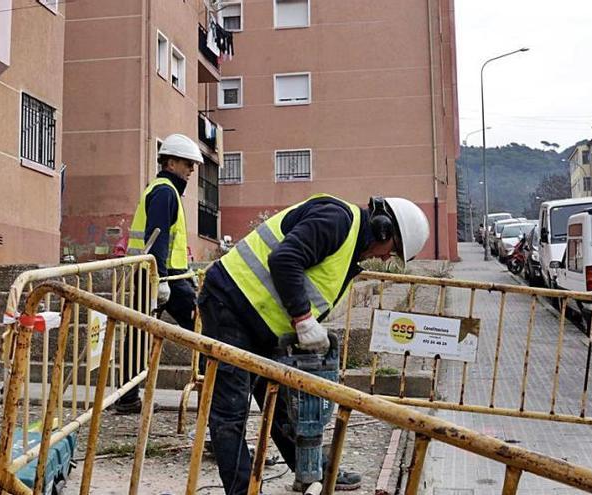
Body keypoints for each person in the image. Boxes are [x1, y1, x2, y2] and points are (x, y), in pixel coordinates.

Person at [198, 194, 430, 493]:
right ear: (383, 229)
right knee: (229, 409)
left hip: (261, 322)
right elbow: (284, 259)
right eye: (393, 250)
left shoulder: (350, 248)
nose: (387, 258)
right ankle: (242, 489)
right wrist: (303, 319)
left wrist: (301, 322)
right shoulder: (336, 220)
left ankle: (311, 471)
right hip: (230, 304)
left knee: (281, 401)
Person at [114, 133, 202, 414]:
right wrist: (161, 279)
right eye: (188, 164)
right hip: (164, 278)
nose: (191, 170)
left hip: (155, 275)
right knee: (204, 329)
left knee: (139, 333)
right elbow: (159, 238)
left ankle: (127, 398)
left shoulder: (164, 190)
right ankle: (216, 391)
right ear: (171, 162)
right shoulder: (165, 192)